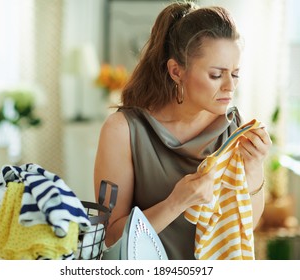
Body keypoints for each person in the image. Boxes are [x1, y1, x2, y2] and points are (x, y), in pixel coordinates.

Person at [94, 1, 272, 260]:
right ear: (176, 71)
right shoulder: (123, 131)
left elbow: (244, 228)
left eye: (234, 74)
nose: (229, 87)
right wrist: (175, 203)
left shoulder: (233, 128)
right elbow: (110, 237)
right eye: (215, 75)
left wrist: (255, 168)